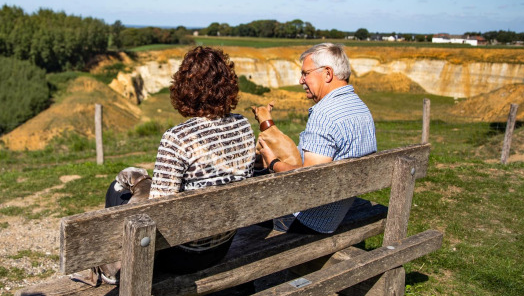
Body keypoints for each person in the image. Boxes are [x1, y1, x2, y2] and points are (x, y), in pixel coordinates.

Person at [104, 46, 256, 276]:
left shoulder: (178, 137)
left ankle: (116, 271)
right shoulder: (243, 125)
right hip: (222, 245)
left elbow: (158, 210)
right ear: (228, 85)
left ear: (185, 87)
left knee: (117, 194)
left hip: (183, 255)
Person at [258, 43, 377, 234]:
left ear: (328, 73)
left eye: (306, 73)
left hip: (312, 221)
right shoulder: (361, 107)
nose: (300, 80)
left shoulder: (324, 114)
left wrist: (273, 163)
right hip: (339, 209)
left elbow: (310, 180)